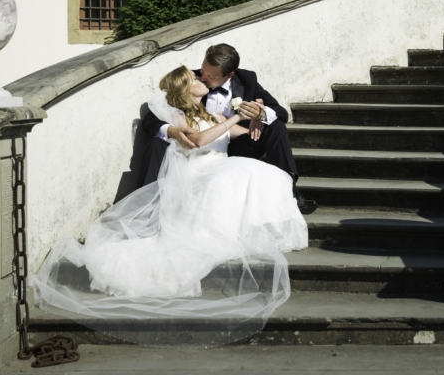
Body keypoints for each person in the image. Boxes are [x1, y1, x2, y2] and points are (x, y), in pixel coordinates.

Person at [29, 65, 309, 346]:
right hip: (198, 173)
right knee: (241, 174)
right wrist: (233, 116)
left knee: (265, 172)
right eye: (194, 79)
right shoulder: (179, 116)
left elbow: (237, 134)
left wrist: (255, 116)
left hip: (217, 168)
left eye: (201, 77)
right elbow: (198, 140)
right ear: (186, 90)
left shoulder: (210, 114)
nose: (200, 79)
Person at [138, 43, 317, 214]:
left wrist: (259, 116)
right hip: (199, 153)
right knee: (157, 143)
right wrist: (172, 131)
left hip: (237, 147)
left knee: (275, 125)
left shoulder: (247, 80)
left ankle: (290, 192)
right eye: (202, 71)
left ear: (229, 75)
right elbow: (153, 116)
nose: (204, 78)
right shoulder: (188, 80)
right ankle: (149, 202)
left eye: (211, 77)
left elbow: (281, 112)